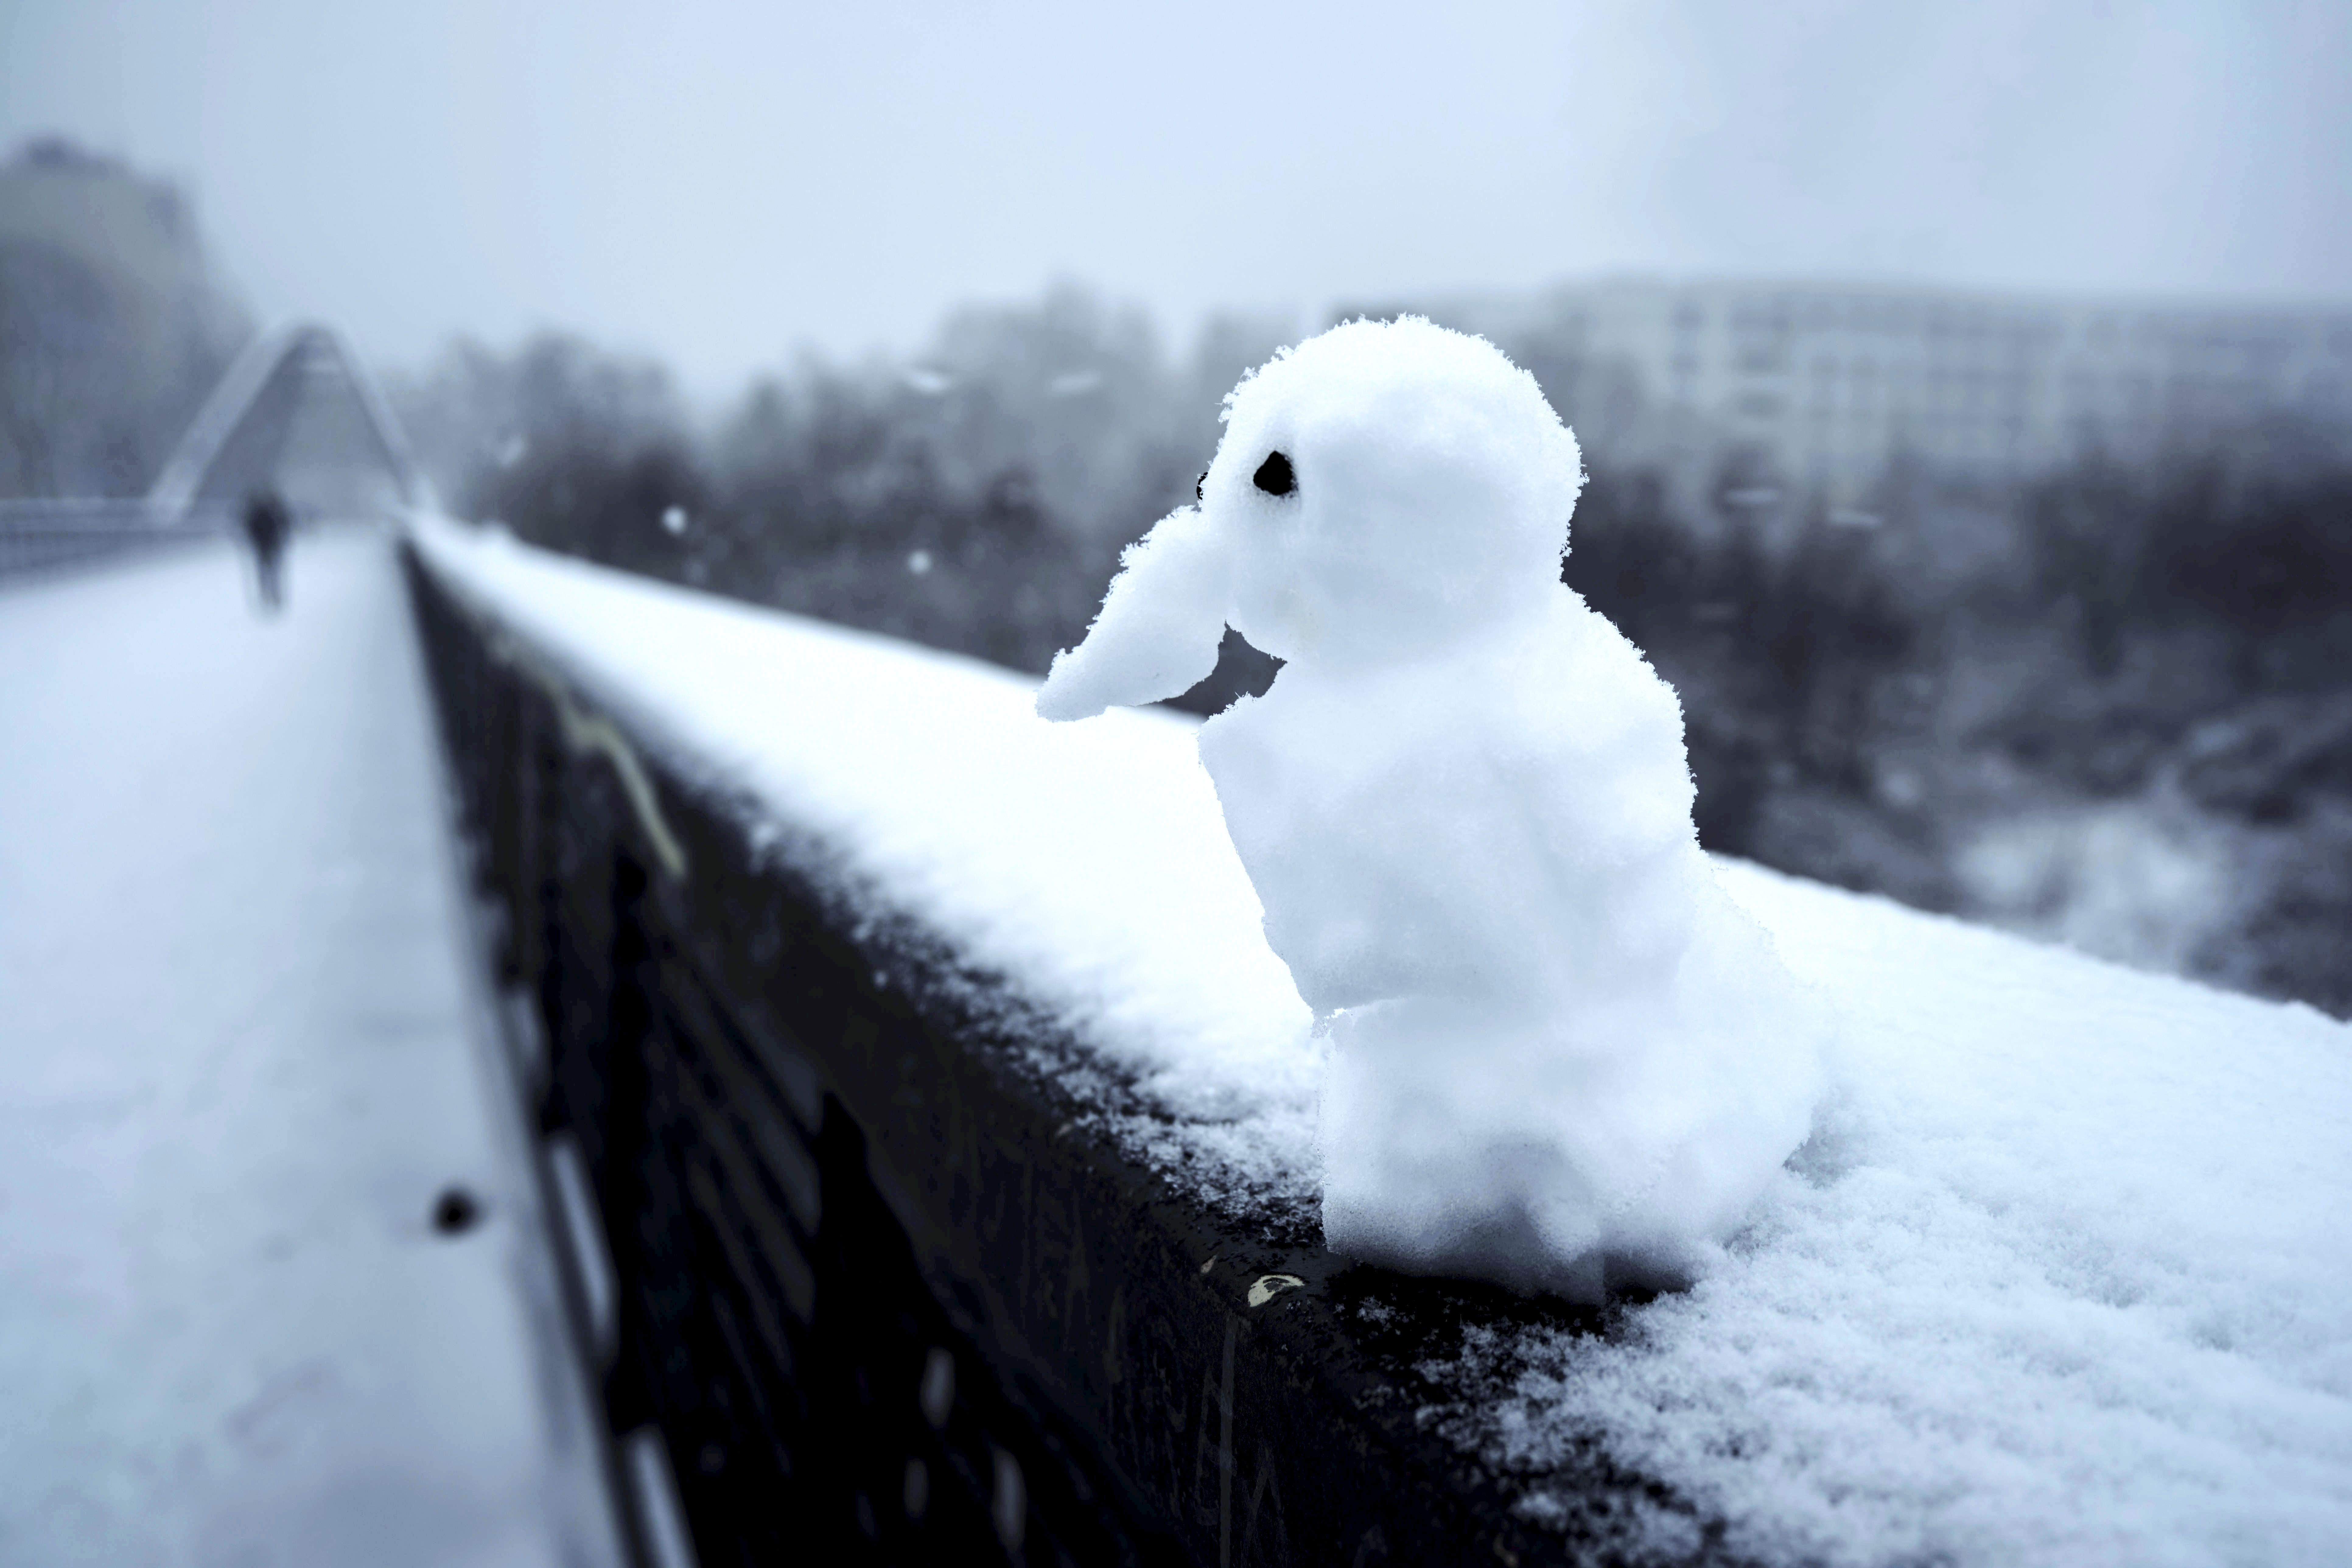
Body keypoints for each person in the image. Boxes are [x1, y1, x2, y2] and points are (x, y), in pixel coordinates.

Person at [242, 489, 293, 612]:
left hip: (264, 547)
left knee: (267, 573)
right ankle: (273, 598)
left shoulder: (258, 514)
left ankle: (269, 598)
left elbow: (250, 530)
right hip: (270, 547)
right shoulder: (273, 513)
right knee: (272, 573)